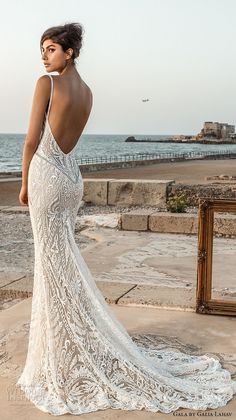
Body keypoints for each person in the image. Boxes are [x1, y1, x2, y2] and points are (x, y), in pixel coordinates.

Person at [17, 22, 236, 416]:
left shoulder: (45, 84)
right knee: (62, 262)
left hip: (48, 175)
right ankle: (74, 335)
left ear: (69, 52)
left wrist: (22, 183)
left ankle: (66, 348)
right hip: (71, 177)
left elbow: (32, 140)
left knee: (50, 265)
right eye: (43, 50)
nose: (44, 56)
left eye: (50, 49)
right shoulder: (87, 93)